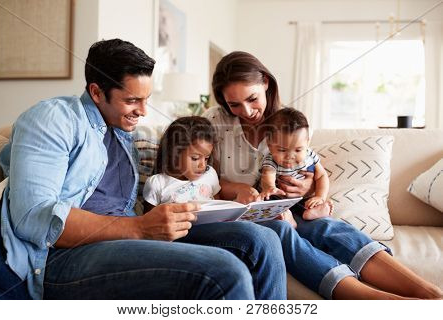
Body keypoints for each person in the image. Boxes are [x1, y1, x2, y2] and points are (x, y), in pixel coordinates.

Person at [0, 39, 288, 300]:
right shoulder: (53, 118)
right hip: (62, 257)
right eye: (132, 100)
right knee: (224, 271)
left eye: (146, 99)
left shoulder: (125, 134)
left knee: (263, 239)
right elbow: (33, 217)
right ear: (97, 92)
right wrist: (139, 227)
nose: (144, 111)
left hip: (128, 237)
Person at [204, 50, 442, 299]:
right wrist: (236, 188)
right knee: (281, 230)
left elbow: (307, 171)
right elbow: (201, 176)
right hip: (242, 212)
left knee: (327, 227)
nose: (247, 111)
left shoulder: (291, 124)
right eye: (234, 104)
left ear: (265, 82)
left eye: (252, 99)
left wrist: (306, 189)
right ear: (223, 102)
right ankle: (384, 302)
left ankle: (429, 293)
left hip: (287, 205)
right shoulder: (214, 121)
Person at [259, 108, 333, 227]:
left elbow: (322, 176)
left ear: (307, 143)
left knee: (310, 202)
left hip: (302, 199)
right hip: (278, 199)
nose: (290, 156)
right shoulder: (271, 160)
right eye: (282, 150)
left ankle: (315, 210)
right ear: (270, 145)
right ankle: (287, 218)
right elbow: (268, 174)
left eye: (298, 150)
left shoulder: (309, 155)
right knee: (269, 205)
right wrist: (270, 187)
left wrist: (320, 196)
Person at [143, 116, 220, 211]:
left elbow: (219, 205)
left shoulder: (210, 174)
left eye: (206, 158)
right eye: (195, 158)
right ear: (174, 153)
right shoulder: (157, 183)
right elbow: (148, 220)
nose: (202, 166)